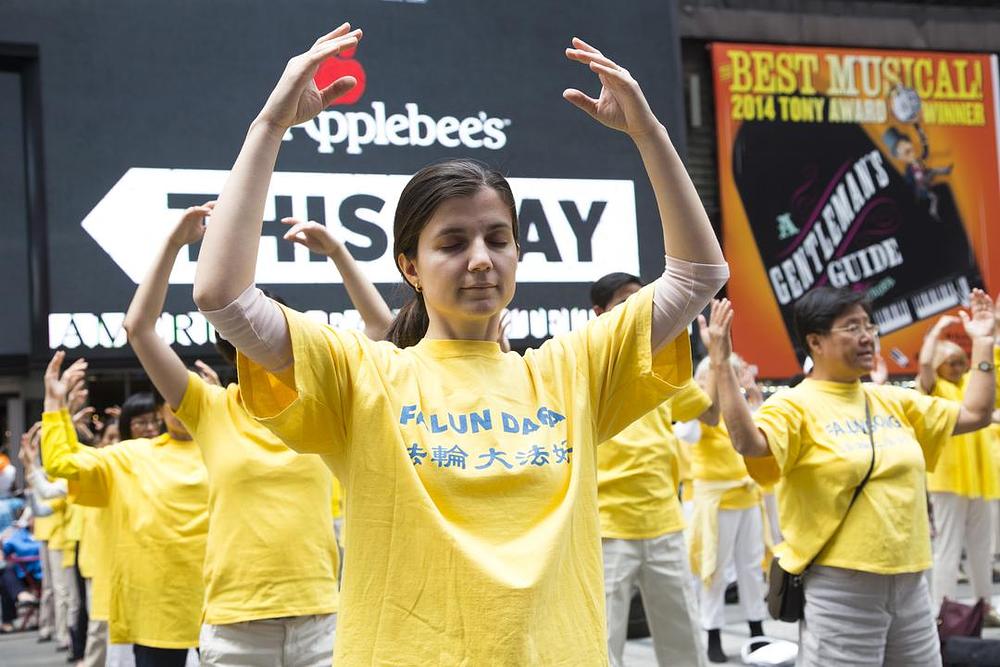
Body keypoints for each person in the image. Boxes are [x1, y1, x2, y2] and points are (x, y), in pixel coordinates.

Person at [192, 22, 727, 664]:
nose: (480, 259)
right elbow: (222, 296)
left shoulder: (574, 369)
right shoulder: (362, 374)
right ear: (410, 268)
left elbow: (699, 274)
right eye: (451, 243)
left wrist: (650, 134)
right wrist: (269, 126)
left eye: (498, 239)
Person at [123, 202, 392, 666]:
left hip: (320, 620)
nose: (262, 339)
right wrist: (173, 245)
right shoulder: (208, 406)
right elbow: (139, 328)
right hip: (236, 626)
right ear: (230, 345)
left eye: (272, 326)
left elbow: (381, 328)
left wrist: (338, 252)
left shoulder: (324, 398)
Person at [706, 289, 996, 666]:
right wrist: (721, 364)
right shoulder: (793, 404)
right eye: (852, 327)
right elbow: (749, 442)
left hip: (912, 583)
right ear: (815, 341)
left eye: (869, 326)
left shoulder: (892, 400)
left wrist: (984, 342)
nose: (867, 336)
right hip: (840, 587)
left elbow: (975, 413)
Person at [41, 352, 209, 667]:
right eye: (175, 399)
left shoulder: (227, 448)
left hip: (225, 606)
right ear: (161, 409)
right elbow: (60, 462)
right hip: (157, 611)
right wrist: (55, 404)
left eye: (197, 398)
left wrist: (230, 410)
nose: (184, 407)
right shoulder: (131, 455)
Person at [591, 272, 712, 667]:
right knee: (600, 644)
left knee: (684, 638)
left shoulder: (664, 362)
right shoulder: (585, 364)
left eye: (642, 300)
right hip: (606, 528)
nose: (638, 309)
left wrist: (720, 360)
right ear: (599, 313)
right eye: (625, 301)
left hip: (665, 523)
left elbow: (710, 414)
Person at [687, 352, 768, 663]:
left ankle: (757, 630)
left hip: (748, 497)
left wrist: (754, 395)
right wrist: (702, 392)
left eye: (732, 375)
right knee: (714, 570)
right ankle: (712, 633)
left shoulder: (742, 411)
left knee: (751, 568)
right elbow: (687, 432)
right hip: (716, 502)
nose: (727, 380)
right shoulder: (701, 415)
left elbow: (763, 435)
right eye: (723, 374)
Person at [917, 313, 1000, 618]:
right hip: (948, 482)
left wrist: (989, 335)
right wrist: (937, 331)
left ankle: (984, 606)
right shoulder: (932, 388)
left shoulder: (969, 384)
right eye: (951, 362)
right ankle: (942, 611)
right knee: (948, 548)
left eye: (961, 361)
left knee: (982, 548)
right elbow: (925, 363)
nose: (957, 366)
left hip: (980, 479)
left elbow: (989, 386)